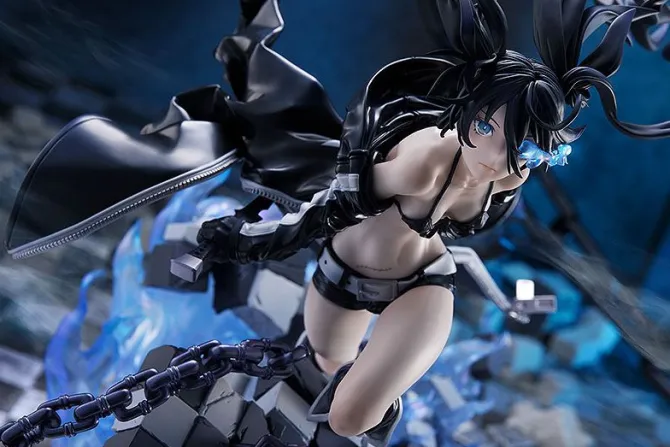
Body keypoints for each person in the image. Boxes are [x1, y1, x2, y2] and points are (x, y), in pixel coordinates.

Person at [4, 0, 670, 446]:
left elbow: (462, 246)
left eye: (528, 149)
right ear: (475, 115)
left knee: (354, 414)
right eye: (502, 136)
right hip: (342, 275)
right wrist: (235, 242)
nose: (509, 162)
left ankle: (377, 408)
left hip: (424, 287)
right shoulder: (414, 162)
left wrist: (517, 299)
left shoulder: (507, 178)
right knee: (323, 367)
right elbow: (321, 213)